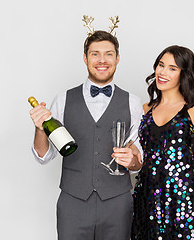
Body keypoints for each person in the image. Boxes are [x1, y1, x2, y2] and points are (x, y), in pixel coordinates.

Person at [29, 30, 143, 240]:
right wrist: (39, 129)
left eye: (108, 54)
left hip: (117, 203)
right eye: (94, 54)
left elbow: (139, 160)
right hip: (73, 202)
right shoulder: (62, 99)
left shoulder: (133, 103)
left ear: (117, 58)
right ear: (85, 58)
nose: (102, 60)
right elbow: (44, 156)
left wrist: (132, 161)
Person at [131, 45, 194, 240]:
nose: (163, 72)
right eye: (161, 65)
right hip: (148, 198)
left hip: (185, 198)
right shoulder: (144, 109)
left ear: (183, 74)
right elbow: (136, 153)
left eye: (172, 68)